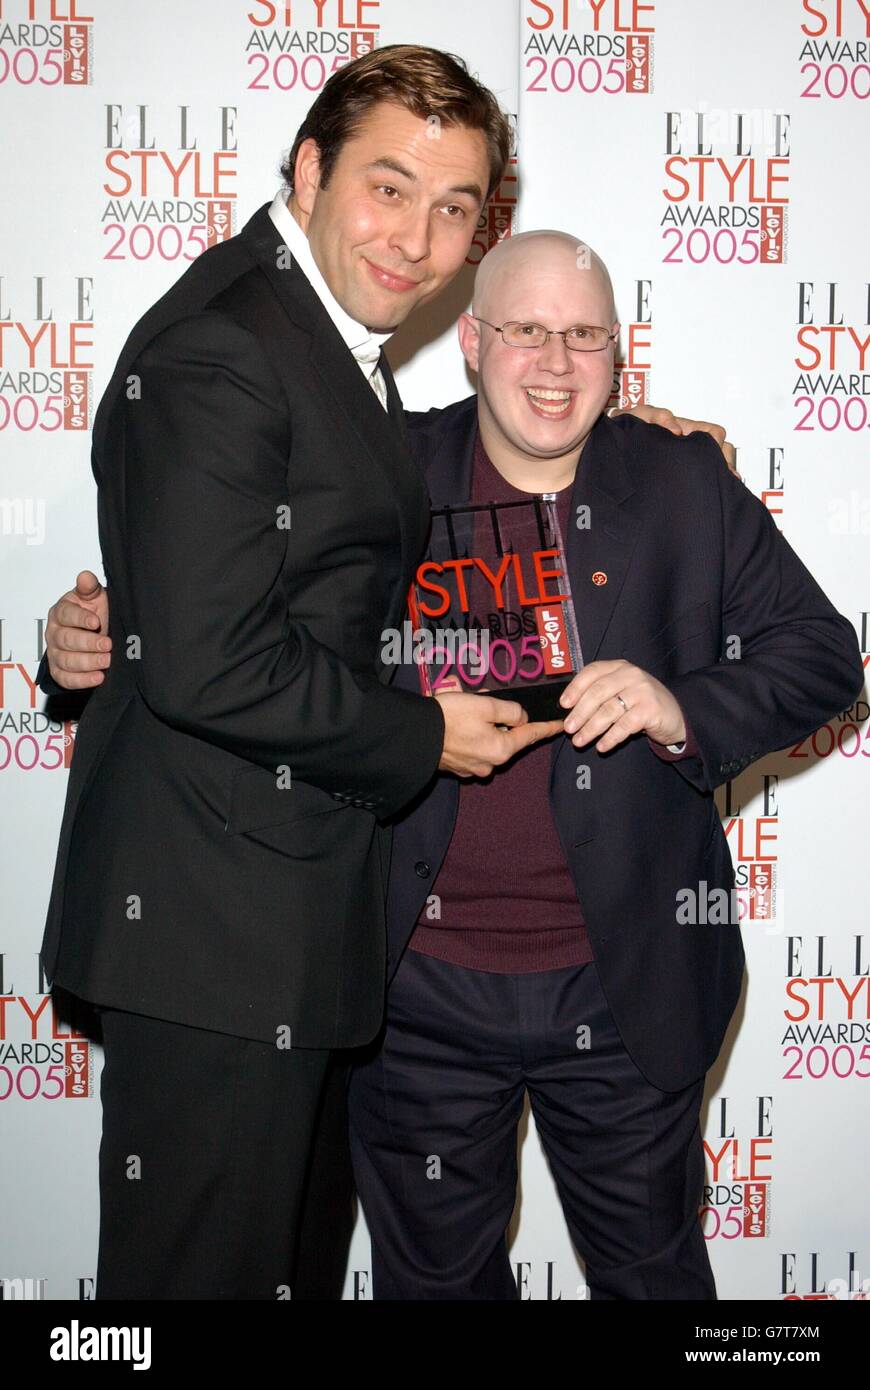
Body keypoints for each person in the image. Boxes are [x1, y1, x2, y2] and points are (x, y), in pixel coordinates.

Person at [36, 45, 577, 1302]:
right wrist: (421, 736)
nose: (421, 239)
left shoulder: (323, 337)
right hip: (214, 935)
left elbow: (276, 577)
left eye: (455, 209)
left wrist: (629, 428)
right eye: (390, 189)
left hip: (283, 926)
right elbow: (216, 659)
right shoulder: (234, 341)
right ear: (312, 166)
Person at [337, 231, 863, 1300]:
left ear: (619, 357)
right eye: (526, 331)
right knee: (431, 1285)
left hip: (625, 986)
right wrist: (118, 626)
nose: (554, 361)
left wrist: (683, 706)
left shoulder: (681, 483)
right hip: (417, 986)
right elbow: (256, 621)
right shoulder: (380, 472)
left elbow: (824, 655)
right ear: (474, 342)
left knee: (656, 1282)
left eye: (584, 336)